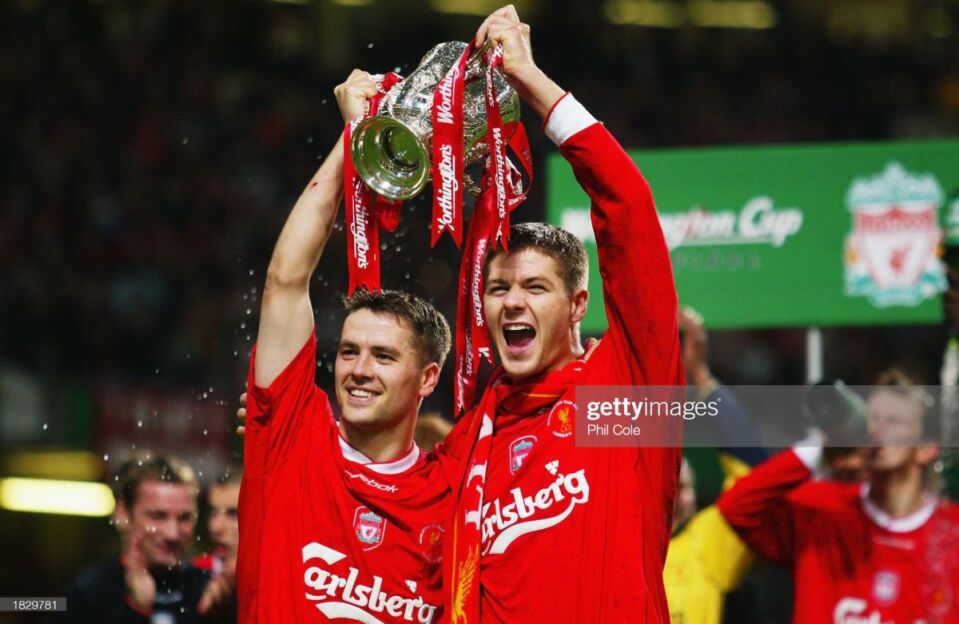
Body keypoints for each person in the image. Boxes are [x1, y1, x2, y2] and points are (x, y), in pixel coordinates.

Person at [436, 7, 685, 622]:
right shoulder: (473, 439)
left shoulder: (625, 395)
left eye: (534, 287)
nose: (512, 302)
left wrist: (529, 80)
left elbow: (628, 206)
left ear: (578, 305)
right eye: (498, 288)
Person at [236, 79, 453, 623]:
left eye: (384, 356)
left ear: (428, 378)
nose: (358, 370)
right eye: (350, 351)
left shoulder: (450, 489)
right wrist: (355, 135)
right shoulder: (292, 439)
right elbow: (285, 280)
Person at [718, 370, 959, 623]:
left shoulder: (950, 533)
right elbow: (736, 508)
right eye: (872, 418)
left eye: (893, 421)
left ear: (926, 449)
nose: (877, 429)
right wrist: (820, 444)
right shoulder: (825, 509)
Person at [62, 453, 229, 623]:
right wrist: (136, 612)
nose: (172, 534)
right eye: (158, 516)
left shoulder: (213, 592)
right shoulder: (86, 595)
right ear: (123, 514)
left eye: (184, 518)